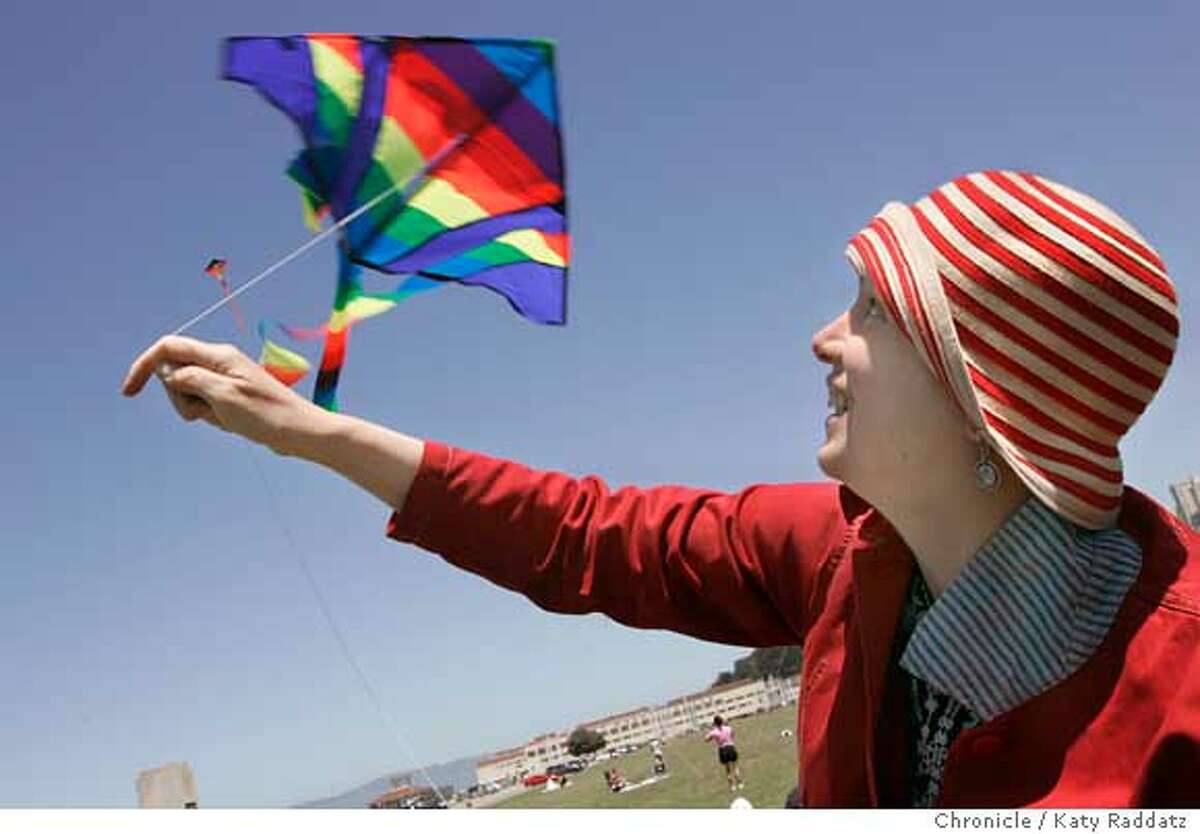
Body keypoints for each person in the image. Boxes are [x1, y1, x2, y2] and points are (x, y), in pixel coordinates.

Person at [123, 170, 1199, 807]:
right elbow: (584, 535)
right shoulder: (838, 550)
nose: (824, 337)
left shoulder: (1180, 688)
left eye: (871, 313)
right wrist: (312, 433)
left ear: (987, 396)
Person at [705, 715, 744, 790]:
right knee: (735, 767)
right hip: (731, 747)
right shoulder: (728, 728)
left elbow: (706, 739)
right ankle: (740, 783)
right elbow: (733, 735)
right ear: (722, 721)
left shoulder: (714, 732)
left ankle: (732, 786)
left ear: (715, 723)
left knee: (728, 769)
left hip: (722, 750)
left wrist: (711, 731)